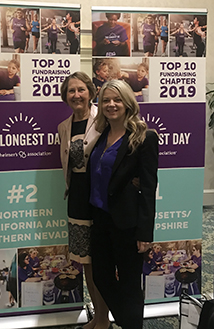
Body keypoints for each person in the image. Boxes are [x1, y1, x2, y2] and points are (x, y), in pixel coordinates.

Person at [89, 79, 158, 329]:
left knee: (129, 284)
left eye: (117, 99)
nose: (111, 104)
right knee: (102, 277)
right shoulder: (101, 135)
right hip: (100, 219)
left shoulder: (144, 137)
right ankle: (129, 322)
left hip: (127, 223)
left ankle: (132, 325)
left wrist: (145, 232)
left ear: (128, 103)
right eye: (106, 100)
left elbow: (149, 188)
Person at [58, 72, 111, 329]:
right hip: (78, 200)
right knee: (87, 264)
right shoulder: (63, 127)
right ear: (65, 96)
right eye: (71, 91)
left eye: (81, 89)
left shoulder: (104, 119)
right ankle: (99, 318)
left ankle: (105, 318)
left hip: (101, 200)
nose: (76, 95)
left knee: (103, 261)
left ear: (91, 92)